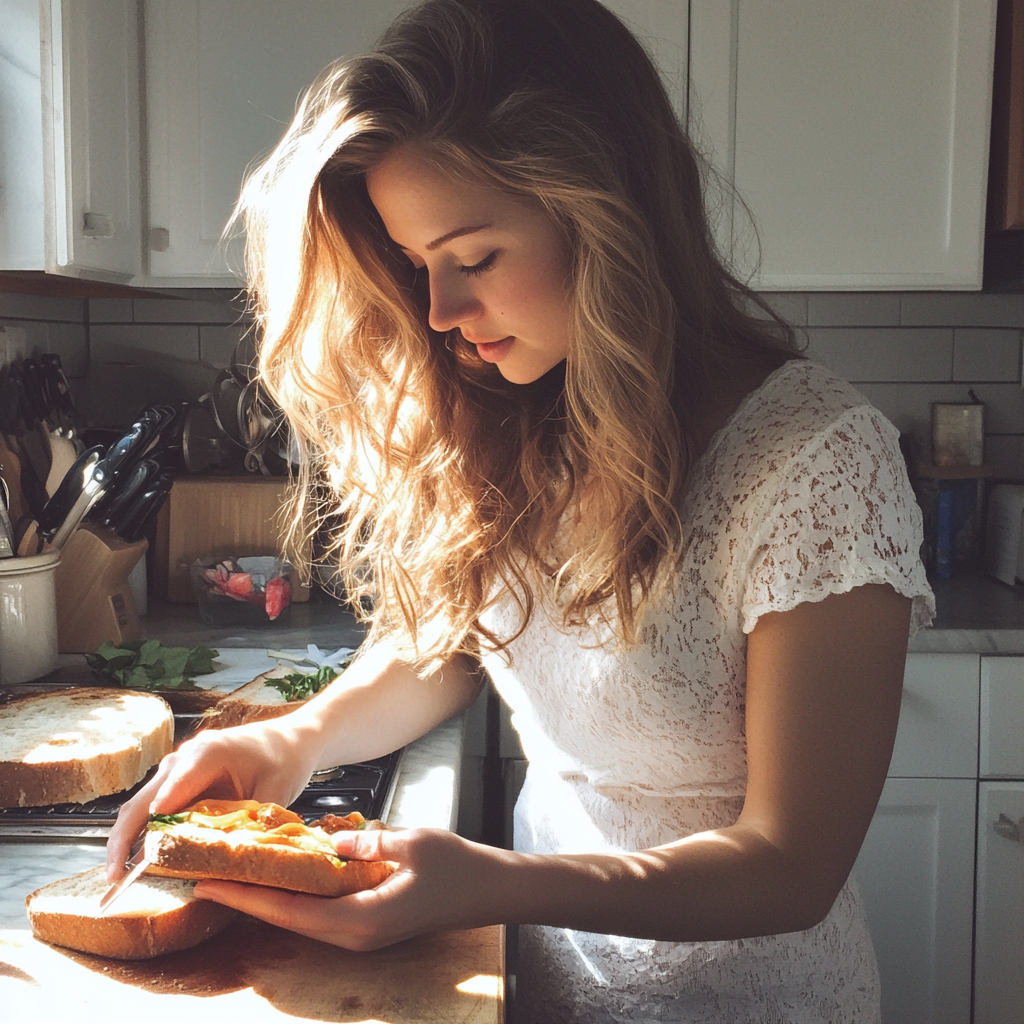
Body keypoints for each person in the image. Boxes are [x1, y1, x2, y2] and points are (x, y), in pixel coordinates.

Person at [107, 1, 934, 1020]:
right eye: (419, 268)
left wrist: (495, 882)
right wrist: (298, 737)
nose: (442, 314)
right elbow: (453, 646)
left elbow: (791, 864)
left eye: (476, 257)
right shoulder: (523, 414)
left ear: (604, 207)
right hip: (543, 987)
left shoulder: (813, 460)